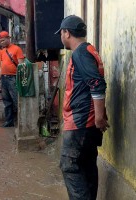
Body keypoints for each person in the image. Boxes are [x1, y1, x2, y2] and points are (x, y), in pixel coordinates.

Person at [55, 15, 109, 200]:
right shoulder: (88, 50)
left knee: (70, 167)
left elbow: (96, 83)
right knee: (86, 168)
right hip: (87, 123)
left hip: (80, 123)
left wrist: (99, 117)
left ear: (66, 33)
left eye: (61, 33)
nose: (61, 37)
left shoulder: (80, 53)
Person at [0, 31, 25, 127]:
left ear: (9, 38)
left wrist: (21, 79)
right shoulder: (2, 51)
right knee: (6, 101)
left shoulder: (17, 49)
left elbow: (21, 65)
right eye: (0, 41)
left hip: (13, 78)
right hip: (4, 78)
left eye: (3, 40)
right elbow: (1, 67)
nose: (2, 42)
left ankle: (21, 121)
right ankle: (9, 121)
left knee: (16, 100)